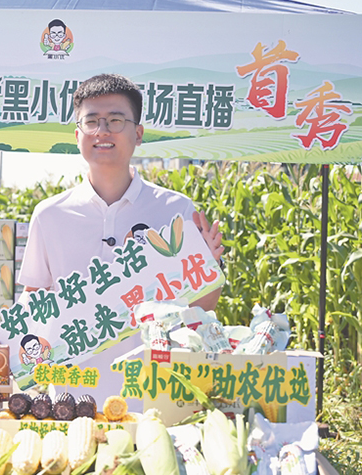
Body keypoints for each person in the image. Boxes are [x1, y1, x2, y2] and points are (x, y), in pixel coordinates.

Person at [17, 74, 224, 407]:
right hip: (71, 399)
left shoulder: (176, 210)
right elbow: (35, 300)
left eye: (115, 121)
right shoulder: (49, 215)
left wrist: (209, 271)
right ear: (77, 135)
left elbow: (200, 308)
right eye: (91, 121)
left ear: (138, 134)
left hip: (153, 397)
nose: (102, 131)